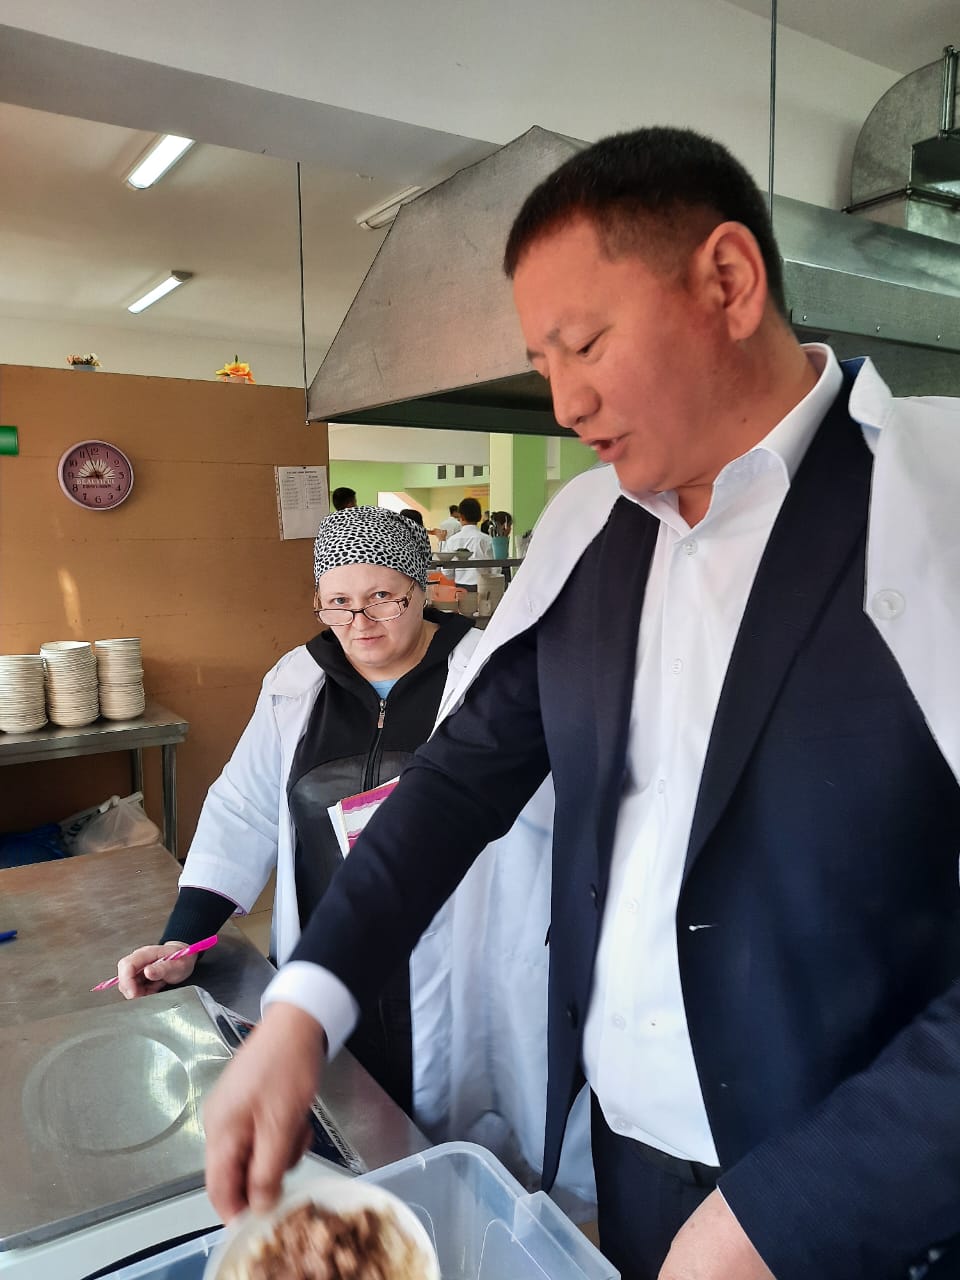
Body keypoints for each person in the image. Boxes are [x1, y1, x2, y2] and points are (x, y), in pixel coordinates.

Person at [202, 126, 960, 1280]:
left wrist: (794, 1208)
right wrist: (306, 1003)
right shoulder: (589, 536)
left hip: (861, 1192)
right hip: (632, 1163)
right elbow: (454, 784)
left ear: (728, 281)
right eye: (542, 360)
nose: (564, 400)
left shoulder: (928, 502)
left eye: (587, 343)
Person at [112, 506, 594, 1201]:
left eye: (382, 598)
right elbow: (242, 809)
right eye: (336, 602)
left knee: (474, 1163)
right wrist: (184, 936)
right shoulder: (295, 683)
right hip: (333, 944)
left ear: (422, 590)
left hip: (467, 955)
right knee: (353, 1139)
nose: (359, 622)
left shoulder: (491, 676)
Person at [441, 496, 493, 592]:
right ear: (480, 517)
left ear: (460, 517)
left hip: (460, 590)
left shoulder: (452, 540)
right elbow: (495, 569)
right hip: (485, 588)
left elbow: (447, 572)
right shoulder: (487, 540)